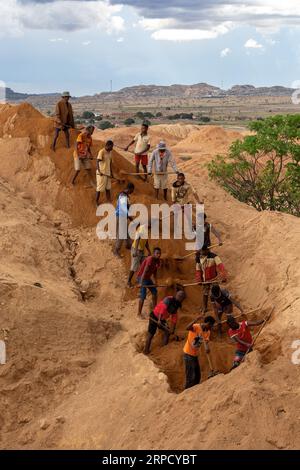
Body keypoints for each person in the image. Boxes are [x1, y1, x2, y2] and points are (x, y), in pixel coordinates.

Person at [183, 315, 215, 389]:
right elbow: (187, 328)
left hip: (195, 354)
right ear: (208, 323)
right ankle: (187, 390)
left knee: (197, 375)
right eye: (211, 325)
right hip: (188, 353)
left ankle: (195, 390)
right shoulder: (196, 327)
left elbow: (206, 342)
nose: (211, 327)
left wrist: (207, 348)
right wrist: (195, 319)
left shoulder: (207, 332)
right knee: (190, 375)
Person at [195, 245, 227, 313]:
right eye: (201, 251)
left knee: (216, 292)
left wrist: (223, 276)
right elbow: (198, 270)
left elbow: (221, 266)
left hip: (214, 279)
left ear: (207, 250)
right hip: (205, 280)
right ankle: (205, 308)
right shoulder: (198, 258)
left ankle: (221, 306)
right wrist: (199, 280)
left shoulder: (214, 256)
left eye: (203, 251)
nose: (202, 252)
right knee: (205, 294)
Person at [136, 248, 161, 317]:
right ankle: (139, 313)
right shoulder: (150, 259)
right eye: (157, 253)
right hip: (141, 277)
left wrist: (156, 282)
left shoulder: (158, 261)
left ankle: (155, 310)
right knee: (143, 296)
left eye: (159, 254)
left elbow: (155, 272)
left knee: (155, 292)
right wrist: (140, 283)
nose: (158, 255)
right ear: (153, 253)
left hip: (147, 278)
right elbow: (144, 271)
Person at [114, 182, 135, 258]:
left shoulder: (125, 195)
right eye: (132, 190)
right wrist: (131, 218)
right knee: (121, 234)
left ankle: (128, 244)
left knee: (125, 231)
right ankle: (116, 250)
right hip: (121, 216)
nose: (132, 192)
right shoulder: (123, 196)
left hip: (122, 216)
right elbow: (123, 209)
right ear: (130, 189)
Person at [128, 223, 151, 287]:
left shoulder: (146, 229)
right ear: (149, 225)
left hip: (141, 249)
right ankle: (128, 281)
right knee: (134, 266)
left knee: (143, 264)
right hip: (136, 249)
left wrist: (149, 251)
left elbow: (146, 241)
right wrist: (135, 251)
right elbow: (138, 239)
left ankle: (141, 279)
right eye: (151, 226)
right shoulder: (142, 229)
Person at [96, 140, 114, 205]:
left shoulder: (110, 153)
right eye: (111, 146)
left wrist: (111, 173)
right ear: (108, 145)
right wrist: (99, 171)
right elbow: (97, 161)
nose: (112, 148)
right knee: (99, 188)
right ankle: (96, 202)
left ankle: (109, 200)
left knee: (108, 188)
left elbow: (110, 164)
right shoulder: (102, 152)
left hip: (108, 173)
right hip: (102, 173)